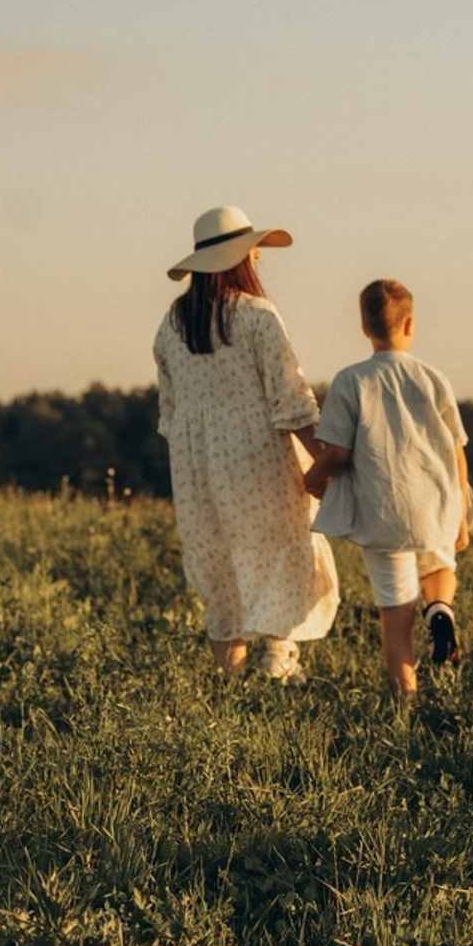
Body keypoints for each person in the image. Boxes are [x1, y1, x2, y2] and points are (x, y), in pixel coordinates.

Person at [155, 205, 339, 682]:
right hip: (259, 456)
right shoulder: (257, 316)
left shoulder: (170, 326)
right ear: (239, 259)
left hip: (197, 466)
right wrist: (323, 457)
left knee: (218, 559)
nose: (257, 260)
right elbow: (292, 398)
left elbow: (170, 415)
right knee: (281, 546)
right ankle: (278, 663)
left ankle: (232, 681)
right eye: (253, 252)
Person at [303, 279, 471, 699]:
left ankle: (406, 700)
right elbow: (456, 448)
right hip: (436, 500)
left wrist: (313, 476)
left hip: (383, 509)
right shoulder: (433, 379)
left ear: (364, 327)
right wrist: (462, 510)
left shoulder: (350, 381)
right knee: (438, 566)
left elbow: (338, 451)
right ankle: (440, 610)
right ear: (410, 323)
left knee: (395, 613)